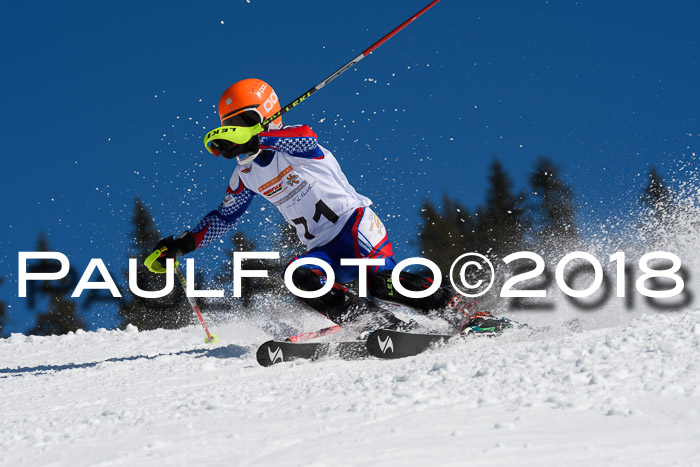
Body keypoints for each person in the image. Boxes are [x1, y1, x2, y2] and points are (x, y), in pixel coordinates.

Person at [152, 78, 510, 335]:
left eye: (243, 122)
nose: (236, 133)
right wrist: (182, 244)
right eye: (230, 127)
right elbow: (225, 215)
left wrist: (258, 136)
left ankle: (464, 312)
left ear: (267, 117)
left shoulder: (291, 143)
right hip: (321, 247)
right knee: (300, 277)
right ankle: (369, 322)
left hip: (354, 226)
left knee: (380, 281)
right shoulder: (244, 173)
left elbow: (306, 136)